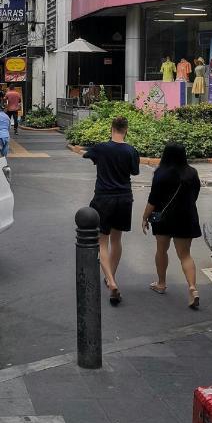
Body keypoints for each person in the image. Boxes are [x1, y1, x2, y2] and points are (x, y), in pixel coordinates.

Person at [83, 116, 140, 305]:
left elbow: (86, 154)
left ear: (111, 128)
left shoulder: (101, 148)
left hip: (103, 198)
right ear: (126, 129)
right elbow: (134, 171)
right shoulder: (131, 150)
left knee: (102, 242)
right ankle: (110, 278)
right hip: (124, 198)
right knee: (117, 240)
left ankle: (112, 280)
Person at [142, 143, 201, 309]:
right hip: (186, 217)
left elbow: (153, 200)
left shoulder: (161, 173)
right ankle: (192, 288)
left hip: (163, 218)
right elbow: (195, 194)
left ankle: (161, 283)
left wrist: (145, 217)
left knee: (161, 250)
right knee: (185, 255)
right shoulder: (191, 173)